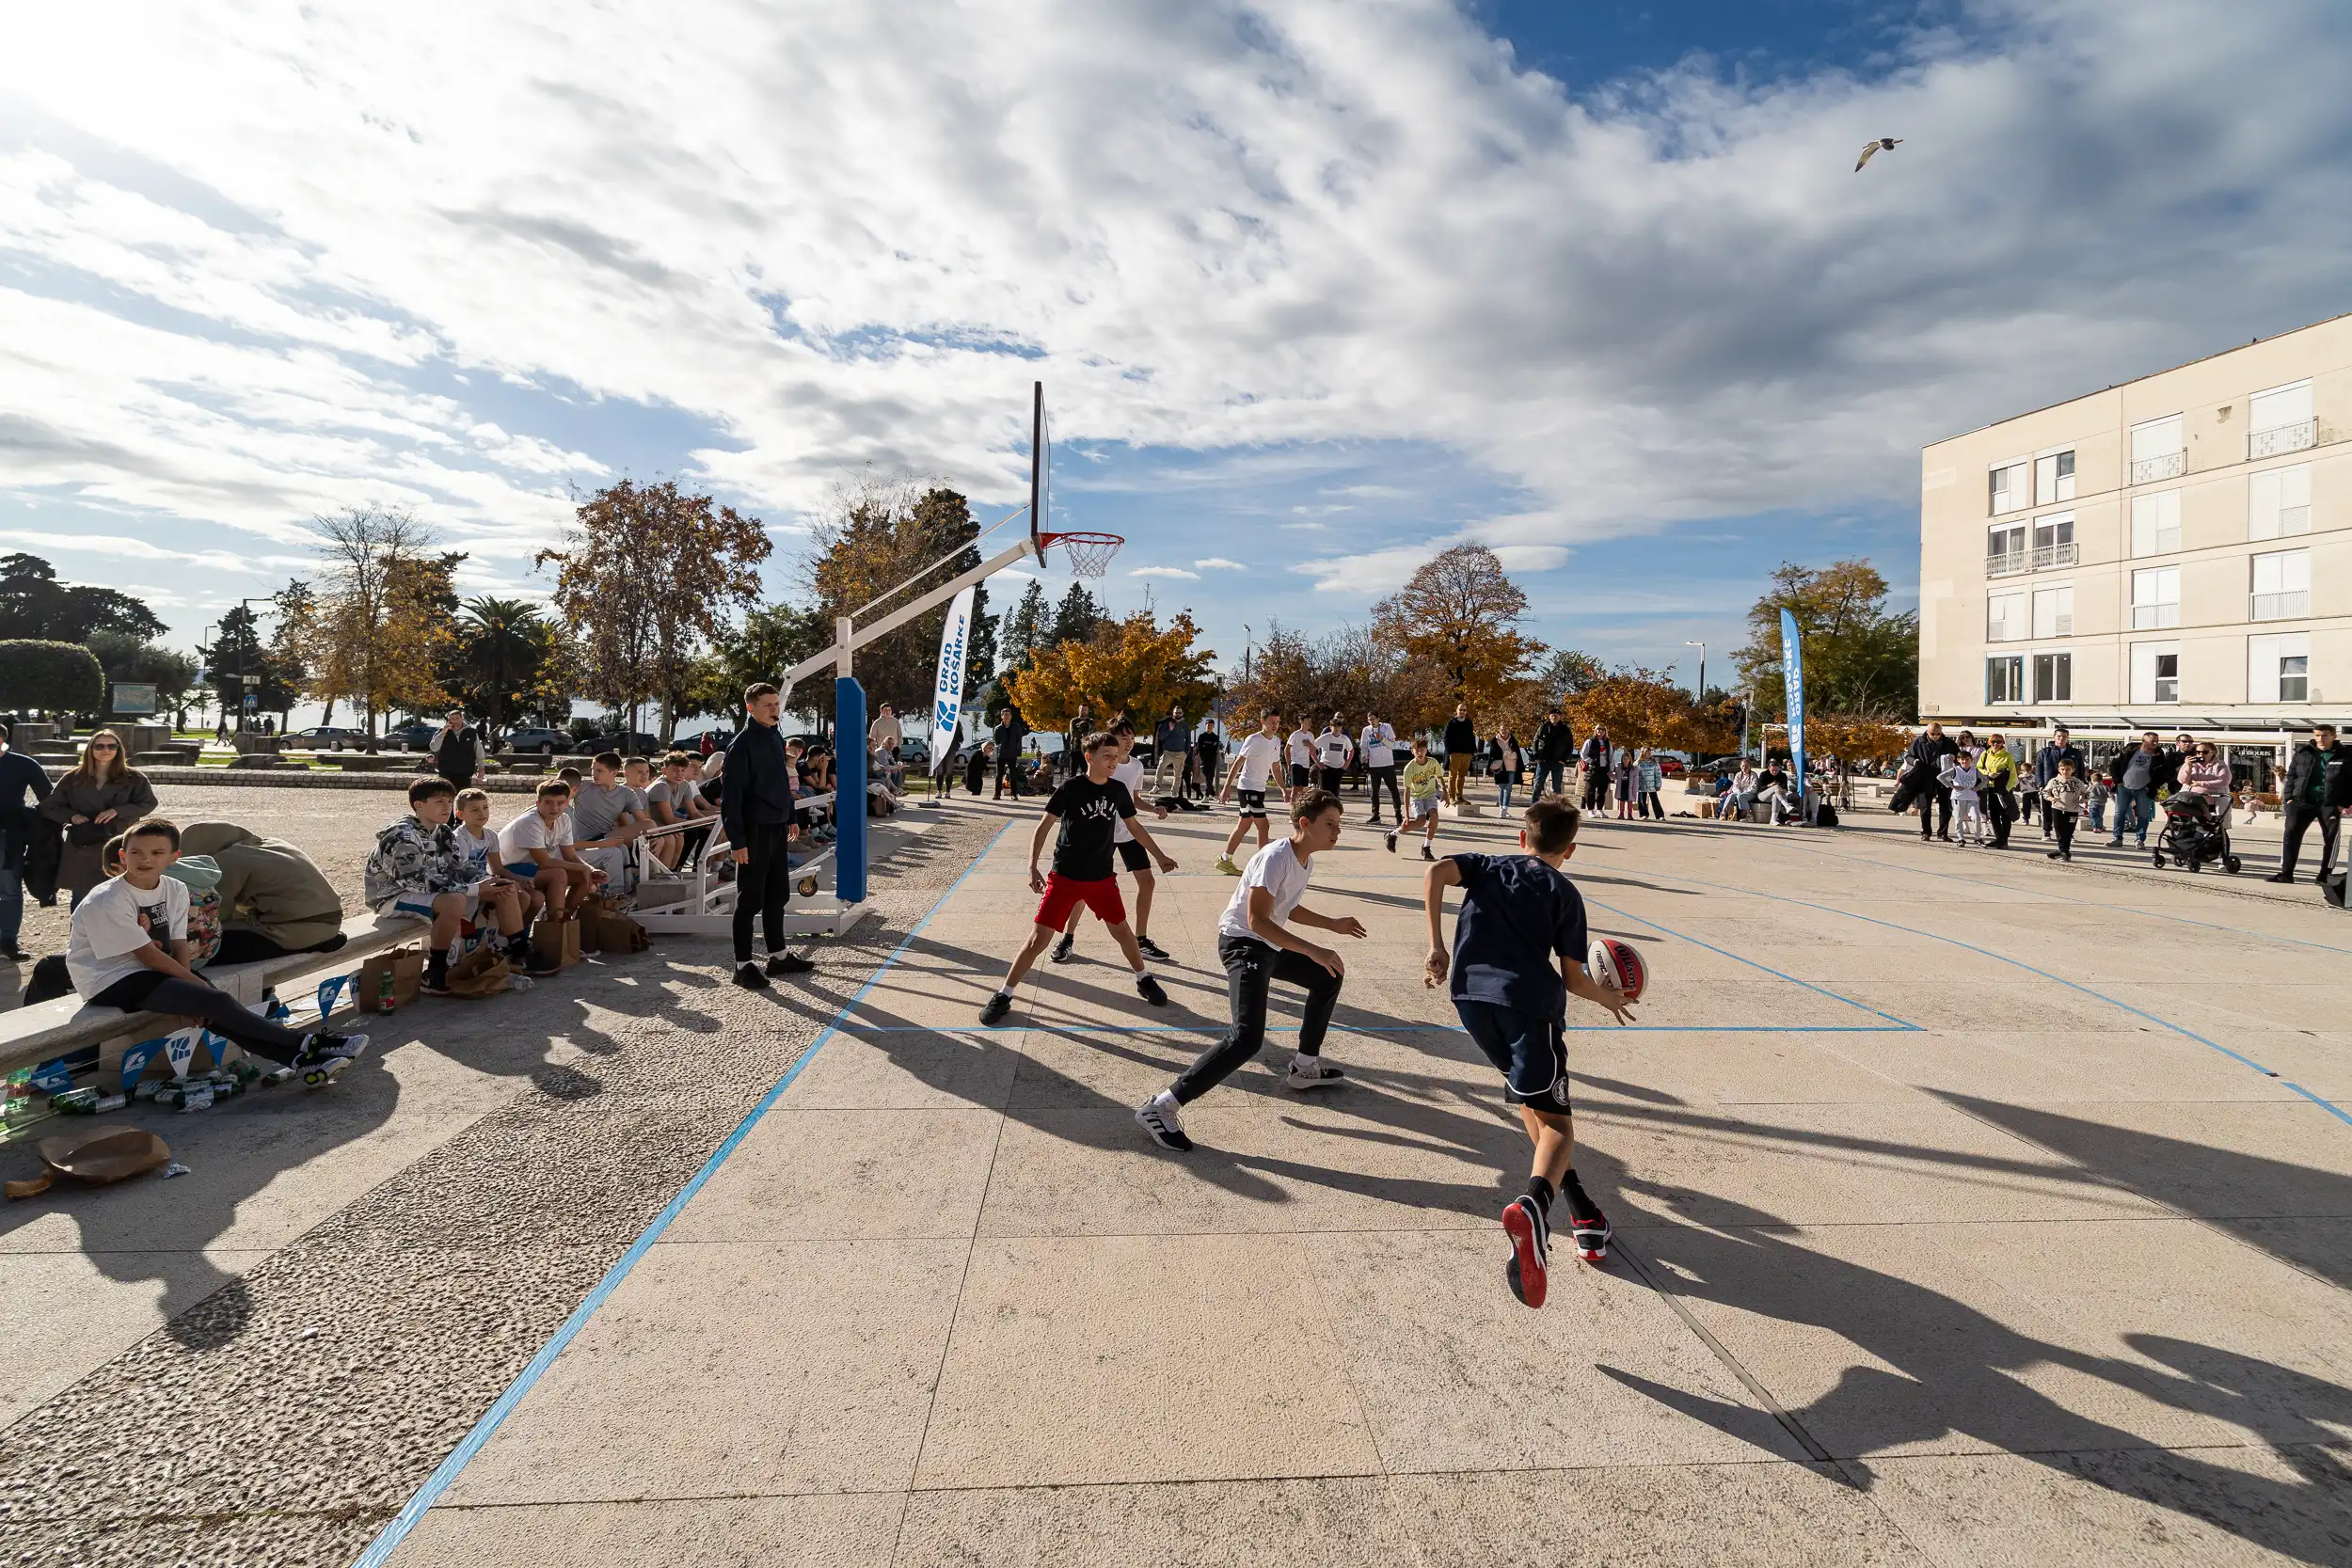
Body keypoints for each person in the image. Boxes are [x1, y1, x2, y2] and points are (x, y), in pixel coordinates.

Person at [1422, 799, 1634, 1302]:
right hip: (1528, 1008)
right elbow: (1576, 979)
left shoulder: (1488, 865)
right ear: (1571, 849)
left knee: (1532, 1101)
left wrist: (1436, 946)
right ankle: (1534, 1208)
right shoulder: (1565, 894)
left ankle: (1583, 1215)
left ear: (1523, 838)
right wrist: (1611, 998)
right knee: (1558, 1124)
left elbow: (1433, 872)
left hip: (1470, 999)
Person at [1136, 788, 1362, 1150]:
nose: (1338, 831)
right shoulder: (1276, 858)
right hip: (1243, 944)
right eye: (1330, 824)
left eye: (1339, 824)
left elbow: (1284, 908)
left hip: (1267, 943)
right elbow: (1258, 921)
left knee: (1327, 976)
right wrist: (1313, 948)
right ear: (1305, 824)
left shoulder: (1304, 860)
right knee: (1246, 1038)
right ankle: (1160, 1106)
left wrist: (1330, 924)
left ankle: (1305, 1066)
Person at [72, 820, 367, 1083]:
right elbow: (147, 954)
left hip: (150, 971)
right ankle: (308, 1043)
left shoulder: (173, 888)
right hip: (109, 978)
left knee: (214, 1008)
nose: (145, 860)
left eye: (157, 853)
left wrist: (191, 990)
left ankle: (301, 1061)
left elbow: (177, 942)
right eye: (136, 853)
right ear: (123, 857)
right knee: (213, 1000)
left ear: (174, 857)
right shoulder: (107, 899)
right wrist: (195, 987)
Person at [978, 731, 1175, 1025]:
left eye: (1115, 755)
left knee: (1122, 931)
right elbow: (1043, 828)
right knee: (1037, 941)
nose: (1113, 761)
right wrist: (1032, 867)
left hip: (1102, 879)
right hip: (1065, 878)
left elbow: (1134, 828)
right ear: (1089, 757)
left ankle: (1143, 978)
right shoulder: (1071, 789)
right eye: (1106, 756)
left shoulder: (1118, 790)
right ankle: (1003, 995)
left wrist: (1159, 856)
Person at [364, 777, 544, 990]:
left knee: (505, 889)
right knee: (454, 902)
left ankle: (516, 951)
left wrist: (487, 881)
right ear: (418, 805)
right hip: (393, 896)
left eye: (449, 801)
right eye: (439, 801)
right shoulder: (401, 836)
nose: (447, 806)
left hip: (432, 891)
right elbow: (415, 881)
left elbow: (458, 867)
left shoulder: (443, 832)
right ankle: (435, 971)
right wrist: (475, 889)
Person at [1052, 720, 1177, 965]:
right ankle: (1068, 938)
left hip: (1128, 833)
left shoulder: (1137, 766)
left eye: (1132, 737)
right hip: (1101, 836)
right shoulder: (1104, 765)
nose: (1129, 742)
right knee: (1082, 891)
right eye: (1124, 738)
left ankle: (1141, 940)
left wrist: (1154, 808)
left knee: (1148, 882)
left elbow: (1133, 800)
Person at [723, 682, 814, 990]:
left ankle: (778, 956)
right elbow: (731, 798)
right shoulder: (741, 745)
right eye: (767, 705)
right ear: (751, 707)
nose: (774, 710)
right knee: (749, 900)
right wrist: (738, 841)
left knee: (778, 895)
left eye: (776, 704)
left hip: (777, 827)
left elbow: (781, 780)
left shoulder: (775, 737)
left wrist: (790, 816)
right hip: (753, 830)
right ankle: (743, 965)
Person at [181, 822, 346, 964]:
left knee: (199, 949)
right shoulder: (272, 844)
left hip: (293, 931)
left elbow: (214, 916)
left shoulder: (229, 859)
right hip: (329, 924)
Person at [40, 730, 158, 908]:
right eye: (100, 746)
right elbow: (49, 806)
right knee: (82, 899)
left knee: (120, 898)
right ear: (91, 750)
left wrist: (118, 811)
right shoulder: (74, 778)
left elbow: (148, 803)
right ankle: (79, 936)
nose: (106, 750)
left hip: (120, 843)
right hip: (83, 845)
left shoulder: (133, 778)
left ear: (119, 750)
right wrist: (71, 816)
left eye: (112, 746)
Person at [500, 779, 601, 923]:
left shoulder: (564, 820)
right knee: (558, 874)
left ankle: (564, 921)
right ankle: (555, 922)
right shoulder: (530, 822)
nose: (554, 808)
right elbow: (545, 862)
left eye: (560, 803)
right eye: (548, 803)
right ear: (538, 803)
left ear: (566, 804)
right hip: (509, 868)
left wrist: (591, 869)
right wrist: (583, 868)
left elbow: (570, 855)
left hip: (533, 870)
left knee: (583, 876)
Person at [0, 722, 53, 960]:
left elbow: (49, 799)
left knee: (9, 890)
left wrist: (28, 818)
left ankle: (8, 940)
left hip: (7, 836)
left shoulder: (23, 764)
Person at [1214, 710, 1286, 876]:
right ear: (1262, 721)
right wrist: (1226, 788)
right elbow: (1238, 763)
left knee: (1243, 826)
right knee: (1264, 825)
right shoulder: (1253, 740)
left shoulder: (1276, 741)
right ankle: (1263, 867)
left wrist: (1283, 789)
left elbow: (1275, 767)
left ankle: (1225, 860)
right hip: (1247, 788)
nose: (1275, 725)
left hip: (1259, 789)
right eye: (1272, 721)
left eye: (1277, 721)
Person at [2272, 724, 2347, 883]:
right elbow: (2291, 776)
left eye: (2324, 735)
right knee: (2291, 835)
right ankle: (2286, 873)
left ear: (2333, 735)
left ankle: (2324, 875)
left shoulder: (2346, 754)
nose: (2320, 739)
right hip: (2301, 801)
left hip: (2330, 803)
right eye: (2317, 735)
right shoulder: (2304, 752)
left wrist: (2344, 803)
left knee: (2331, 839)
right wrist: (2289, 799)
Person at [570, 752, 650, 891]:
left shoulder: (626, 793)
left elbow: (643, 822)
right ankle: (615, 893)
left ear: (614, 772)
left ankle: (638, 886)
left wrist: (656, 837)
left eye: (599, 771)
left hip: (606, 836)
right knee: (615, 852)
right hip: (584, 842)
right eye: (592, 769)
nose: (593, 774)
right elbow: (557, 793)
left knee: (650, 827)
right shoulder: (583, 787)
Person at [2107, 732, 2171, 850]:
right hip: (2124, 786)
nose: (2155, 743)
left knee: (2143, 815)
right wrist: (2118, 781)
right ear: (2144, 740)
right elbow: (2114, 764)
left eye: (2157, 740)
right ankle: (2117, 838)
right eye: (2152, 740)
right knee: (2119, 813)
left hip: (2144, 789)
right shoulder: (2130, 749)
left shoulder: (2158, 754)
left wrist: (2153, 786)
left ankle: (2140, 839)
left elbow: (2163, 773)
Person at [1388, 736, 1446, 859]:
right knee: (1421, 821)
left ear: (1426, 750)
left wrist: (1446, 793)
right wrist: (1407, 815)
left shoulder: (1432, 763)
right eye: (1417, 750)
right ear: (1412, 751)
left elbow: (1439, 777)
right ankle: (1393, 834)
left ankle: (1426, 847)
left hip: (1430, 795)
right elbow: (1407, 791)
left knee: (1434, 817)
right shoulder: (1409, 768)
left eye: (1422, 750)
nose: (1420, 753)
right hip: (1416, 797)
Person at [1902, 723, 1959, 841]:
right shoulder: (1919, 742)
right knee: (1925, 806)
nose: (1935, 736)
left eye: (1938, 734)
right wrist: (1915, 762)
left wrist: (1955, 759)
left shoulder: (1949, 743)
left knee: (1945, 806)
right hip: (1925, 777)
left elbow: (1959, 757)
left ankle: (1943, 833)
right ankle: (1926, 832)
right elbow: (1908, 757)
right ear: (1927, 732)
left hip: (1944, 777)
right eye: (1933, 734)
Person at [2033, 728, 2085, 842]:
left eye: (2064, 737)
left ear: (2067, 738)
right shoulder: (2045, 752)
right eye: (2059, 736)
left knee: (2069, 809)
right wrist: (2041, 784)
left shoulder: (2075, 753)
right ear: (2054, 737)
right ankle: (2047, 831)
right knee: (2047, 809)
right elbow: (2039, 769)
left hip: (2070, 786)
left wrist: (2081, 785)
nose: (2061, 739)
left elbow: (2081, 769)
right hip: (2050, 784)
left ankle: (2068, 833)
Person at [2041, 757, 2089, 862]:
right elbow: (2045, 792)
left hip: (2073, 810)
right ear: (2059, 769)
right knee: (2059, 831)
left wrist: (2082, 801)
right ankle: (2064, 851)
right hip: (2057, 808)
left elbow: (2087, 793)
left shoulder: (2078, 782)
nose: (2065, 771)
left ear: (2073, 770)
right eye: (2062, 769)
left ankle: (2063, 851)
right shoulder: (2054, 781)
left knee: (2068, 832)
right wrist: (2051, 798)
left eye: (2068, 769)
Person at [1360, 711, 1400, 824]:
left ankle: (1398, 814)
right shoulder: (1366, 730)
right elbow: (1364, 746)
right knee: (1375, 792)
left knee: (1393, 790)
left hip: (1387, 764)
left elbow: (1392, 745)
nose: (1371, 721)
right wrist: (1364, 757)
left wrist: (1382, 739)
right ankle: (1375, 815)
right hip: (1374, 765)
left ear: (1378, 718)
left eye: (1373, 719)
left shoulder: (1387, 727)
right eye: (1369, 719)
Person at [1979, 734, 2017, 848]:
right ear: (1990, 742)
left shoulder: (2007, 756)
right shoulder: (1985, 754)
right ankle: (1998, 838)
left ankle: (2004, 840)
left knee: (2005, 814)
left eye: (1999, 742)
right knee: (1993, 814)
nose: (1996, 744)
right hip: (1990, 787)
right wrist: (1988, 773)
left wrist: (2007, 788)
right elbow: (1979, 768)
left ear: (2003, 743)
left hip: (2003, 788)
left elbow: (2013, 774)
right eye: (1993, 742)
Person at [428, 709, 483, 790]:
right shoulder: (441, 732)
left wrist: (481, 767)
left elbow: (478, 750)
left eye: (457, 718)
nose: (455, 721)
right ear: (449, 720)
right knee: (447, 795)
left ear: (462, 718)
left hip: (465, 771)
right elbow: (434, 748)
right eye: (452, 719)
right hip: (446, 771)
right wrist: (443, 733)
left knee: (463, 797)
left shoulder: (471, 732)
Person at [1942, 749, 1986, 847]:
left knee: (1976, 817)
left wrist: (1978, 787)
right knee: (1959, 818)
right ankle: (1960, 838)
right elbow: (1941, 777)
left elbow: (1985, 779)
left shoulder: (1974, 771)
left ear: (1971, 760)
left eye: (1967, 759)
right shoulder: (1955, 770)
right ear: (1958, 760)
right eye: (1962, 759)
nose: (1965, 761)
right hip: (1958, 797)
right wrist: (1952, 786)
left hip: (1972, 797)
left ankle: (1978, 838)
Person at [1531, 708, 1574, 800]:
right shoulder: (1543, 727)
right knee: (1538, 785)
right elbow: (1535, 742)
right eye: (1552, 716)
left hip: (1558, 761)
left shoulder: (1565, 730)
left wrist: (1563, 760)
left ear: (1560, 717)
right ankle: (1533, 807)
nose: (1554, 717)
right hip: (1543, 760)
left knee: (1556, 787)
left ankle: (1557, 807)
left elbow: (1570, 746)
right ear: (1549, 717)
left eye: (1556, 716)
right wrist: (1536, 755)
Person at [1155, 705, 1194, 800]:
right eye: (1176, 713)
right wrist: (1170, 730)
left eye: (1179, 713)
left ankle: (1174, 793)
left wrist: (1186, 753)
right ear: (1173, 714)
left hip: (1180, 754)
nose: (1178, 714)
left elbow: (1188, 740)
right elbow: (1161, 737)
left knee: (1178, 775)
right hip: (1168, 752)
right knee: (1161, 765)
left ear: (1182, 713)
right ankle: (1157, 785)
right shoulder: (1167, 724)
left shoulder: (1186, 725)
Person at [1442, 703, 1477, 806]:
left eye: (1464, 710)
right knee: (1453, 775)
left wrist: (1472, 752)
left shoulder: (1469, 723)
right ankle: (1451, 797)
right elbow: (1446, 738)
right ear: (1456, 711)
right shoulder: (1451, 723)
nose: (1462, 712)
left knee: (1462, 776)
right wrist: (1450, 751)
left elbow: (1471, 738)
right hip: (1455, 753)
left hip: (1466, 754)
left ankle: (1460, 796)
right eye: (1460, 710)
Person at [992, 708, 1028, 800]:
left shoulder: (1016, 727)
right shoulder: (998, 728)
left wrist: (1018, 752)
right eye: (1005, 715)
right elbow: (997, 742)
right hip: (1001, 754)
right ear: (1002, 716)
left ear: (1011, 716)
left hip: (1012, 753)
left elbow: (1019, 740)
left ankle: (1014, 794)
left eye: (1008, 715)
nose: (1007, 717)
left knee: (1013, 774)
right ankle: (997, 794)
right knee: (999, 775)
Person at [1314, 713, 1354, 799]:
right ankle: (1324, 810)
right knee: (1324, 792)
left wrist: (1347, 763)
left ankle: (1333, 810)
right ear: (1331, 727)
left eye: (1339, 727)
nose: (1337, 729)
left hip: (1338, 767)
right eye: (1335, 726)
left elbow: (1351, 750)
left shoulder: (1344, 739)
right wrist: (1318, 762)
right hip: (1326, 767)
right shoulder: (1325, 737)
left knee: (1335, 792)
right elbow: (1312, 748)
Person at [1492, 730, 1526, 815]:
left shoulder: (1513, 741)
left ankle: (1505, 808)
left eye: (1506, 730)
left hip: (1511, 768)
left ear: (1508, 731)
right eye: (1502, 729)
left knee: (1508, 788)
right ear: (1499, 730)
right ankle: (1501, 808)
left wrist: (1508, 755)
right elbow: (1493, 754)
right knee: (1501, 788)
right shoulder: (1495, 741)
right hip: (1500, 768)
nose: (1504, 732)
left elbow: (1516, 755)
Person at [1285, 717, 1316, 807]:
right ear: (1301, 722)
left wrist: (1310, 745)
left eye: (1310, 720)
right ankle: (1292, 811)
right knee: (1295, 788)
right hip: (1296, 762)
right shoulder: (1295, 735)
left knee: (1303, 789)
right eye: (1307, 721)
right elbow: (1287, 749)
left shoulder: (1311, 735)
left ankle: (1300, 809)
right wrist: (1289, 763)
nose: (1309, 723)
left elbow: (1313, 750)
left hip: (1305, 764)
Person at [1578, 728, 1611, 813]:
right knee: (1591, 790)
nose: (1600, 732)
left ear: (1605, 732)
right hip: (1593, 768)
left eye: (1602, 730)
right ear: (1595, 731)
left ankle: (1599, 809)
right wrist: (1591, 761)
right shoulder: (1590, 741)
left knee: (1602, 791)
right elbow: (1583, 754)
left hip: (1604, 769)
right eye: (1598, 730)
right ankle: (1590, 810)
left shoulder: (1607, 742)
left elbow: (1611, 756)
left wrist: (1611, 769)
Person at [1194, 719, 1223, 809]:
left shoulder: (1215, 737)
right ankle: (1207, 796)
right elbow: (1200, 748)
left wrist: (1207, 748)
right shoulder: (1202, 736)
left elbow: (1214, 749)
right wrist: (1206, 749)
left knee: (1210, 777)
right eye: (1208, 725)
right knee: (1207, 776)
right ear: (1205, 725)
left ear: (1213, 727)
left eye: (1211, 725)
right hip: (1203, 760)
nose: (1209, 727)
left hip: (1212, 760)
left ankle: (1213, 794)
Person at [1634, 748, 1664, 820]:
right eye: (1648, 752)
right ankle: (1643, 814)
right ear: (1643, 753)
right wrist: (1635, 785)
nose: (1649, 754)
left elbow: (1658, 774)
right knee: (1642, 800)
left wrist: (1658, 785)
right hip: (1642, 784)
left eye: (1650, 752)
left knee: (1655, 800)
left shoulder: (1654, 762)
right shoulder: (1638, 763)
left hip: (1652, 785)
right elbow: (1635, 774)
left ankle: (1660, 815)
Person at [1610, 744, 1635, 820]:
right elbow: (1616, 776)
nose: (1626, 760)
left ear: (1630, 759)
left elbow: (1635, 780)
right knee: (1622, 800)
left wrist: (1635, 789)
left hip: (1629, 787)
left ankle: (1630, 814)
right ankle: (1621, 814)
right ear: (1622, 759)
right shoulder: (1619, 767)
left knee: (1630, 801)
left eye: (1627, 758)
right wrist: (1611, 775)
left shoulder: (1633, 769)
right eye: (1624, 758)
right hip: (1621, 787)